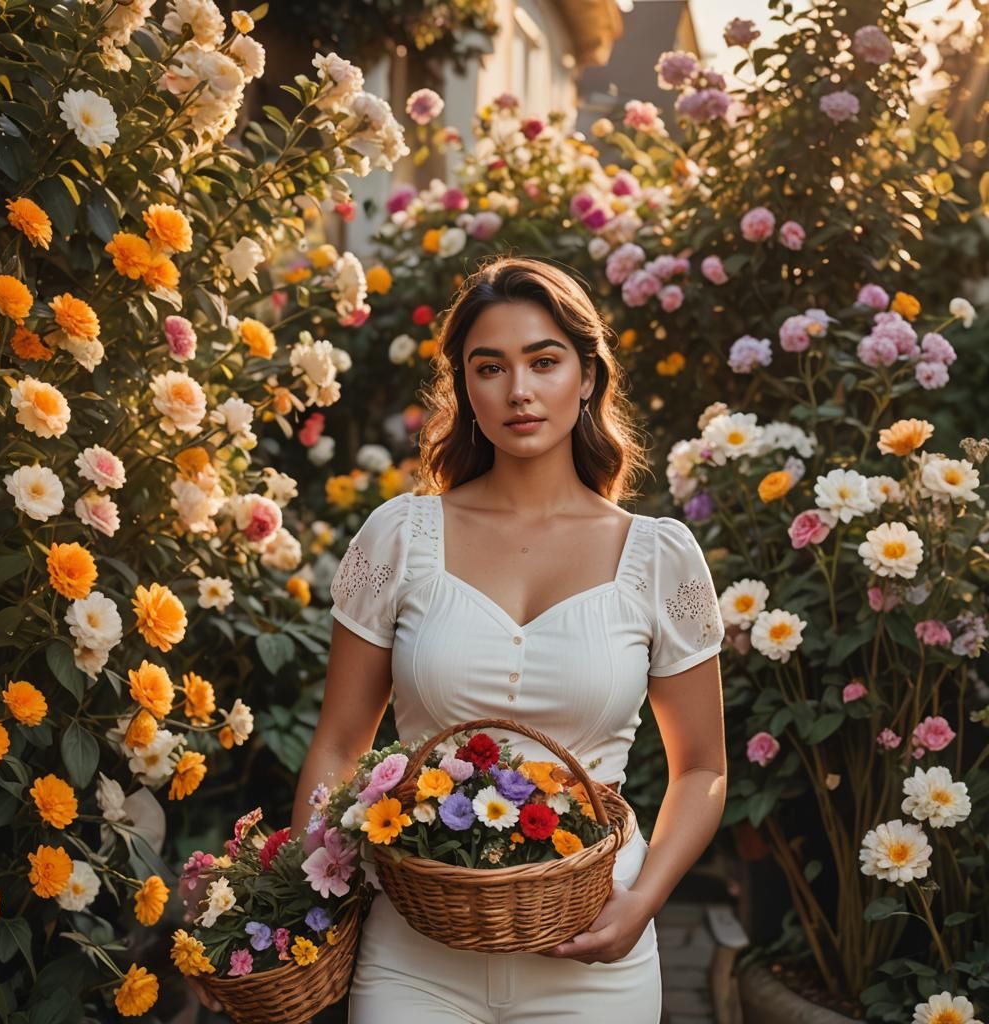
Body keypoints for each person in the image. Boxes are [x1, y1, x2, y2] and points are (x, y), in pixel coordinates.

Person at [194, 255, 727, 1021]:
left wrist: (643, 901)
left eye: (544, 361)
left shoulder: (658, 556)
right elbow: (341, 744)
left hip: (593, 951)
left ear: (586, 377)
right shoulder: (400, 539)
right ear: (465, 387)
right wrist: (307, 910)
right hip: (413, 955)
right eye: (490, 367)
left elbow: (702, 767)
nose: (518, 390)